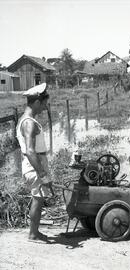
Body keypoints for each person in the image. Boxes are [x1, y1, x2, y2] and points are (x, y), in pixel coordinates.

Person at [16, 83, 52, 243]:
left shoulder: (26, 120)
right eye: (44, 104)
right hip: (34, 166)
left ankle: (35, 232)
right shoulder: (29, 122)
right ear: (37, 102)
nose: (45, 108)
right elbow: (30, 151)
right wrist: (42, 174)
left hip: (35, 164)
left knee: (39, 198)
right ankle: (33, 234)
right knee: (38, 199)